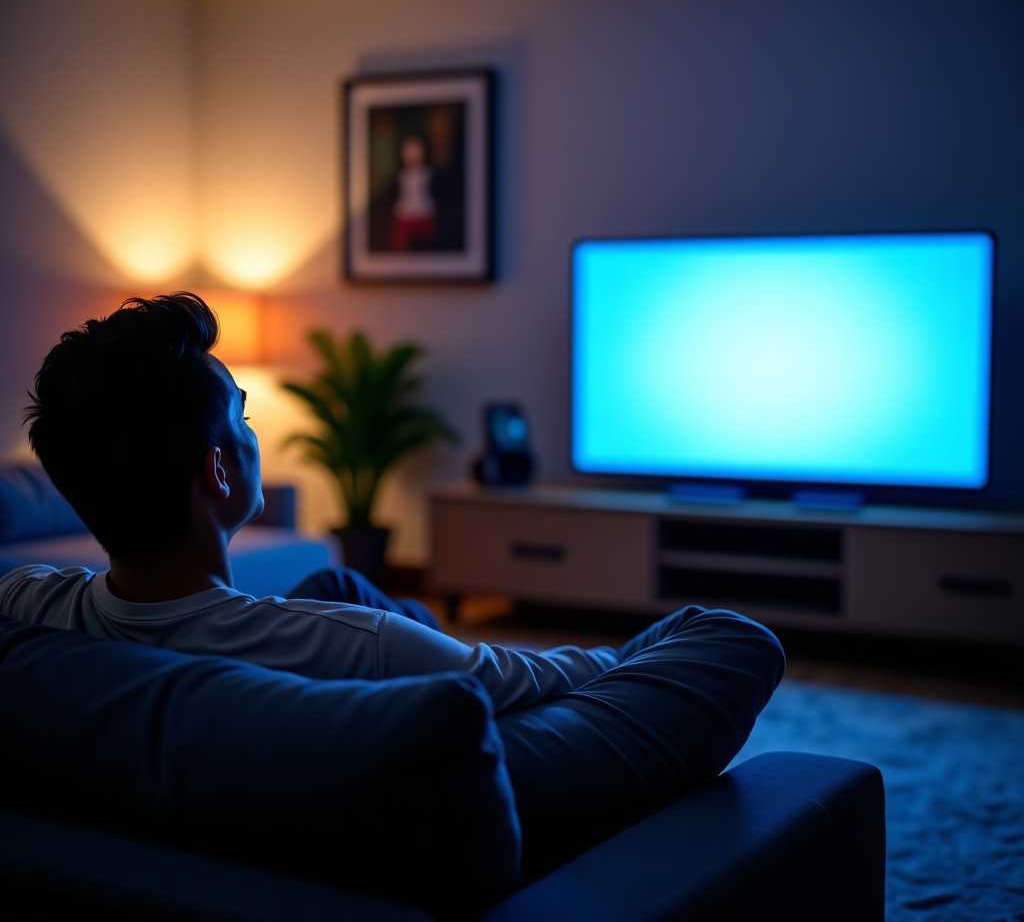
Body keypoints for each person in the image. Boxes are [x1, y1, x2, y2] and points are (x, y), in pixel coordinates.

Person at [0, 292, 785, 877]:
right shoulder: (359, 650)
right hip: (468, 778)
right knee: (730, 635)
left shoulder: (29, 602)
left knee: (339, 580)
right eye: (241, 412)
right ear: (216, 467)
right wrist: (614, 661)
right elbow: (533, 676)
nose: (249, 428)